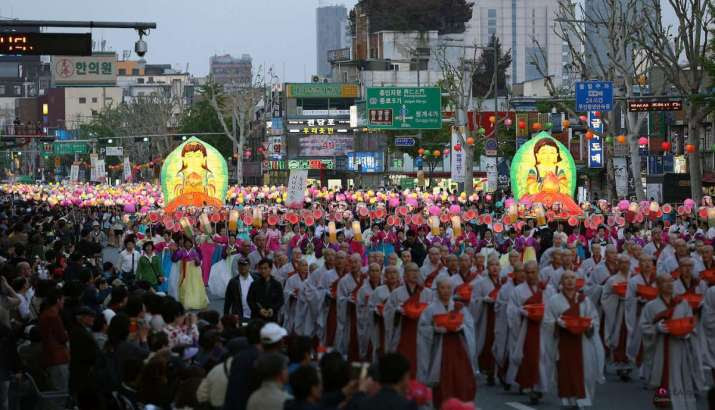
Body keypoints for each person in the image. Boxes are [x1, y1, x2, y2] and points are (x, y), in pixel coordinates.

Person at [640, 275, 704, 409]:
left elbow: (691, 322)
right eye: (665, 281)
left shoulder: (683, 303)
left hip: (680, 348)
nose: (669, 284)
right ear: (658, 285)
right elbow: (644, 326)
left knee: (682, 377)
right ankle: (664, 403)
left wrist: (687, 332)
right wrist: (656, 329)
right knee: (663, 381)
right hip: (660, 349)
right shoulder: (651, 306)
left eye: (671, 281)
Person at [542, 270, 605, 408]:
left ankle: (583, 398)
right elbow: (547, 321)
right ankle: (568, 400)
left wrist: (590, 324)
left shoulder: (585, 300)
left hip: (583, 341)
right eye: (566, 278)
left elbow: (594, 317)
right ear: (561, 282)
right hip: (563, 342)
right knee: (565, 371)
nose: (570, 281)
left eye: (572, 278)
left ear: (576, 281)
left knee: (586, 371)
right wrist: (557, 323)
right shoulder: (553, 300)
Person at [417, 277, 476, 407]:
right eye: (442, 288)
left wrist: (462, 328)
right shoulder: (430, 309)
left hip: (458, 347)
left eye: (449, 288)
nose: (445, 291)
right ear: (437, 290)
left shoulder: (459, 307)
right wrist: (434, 330)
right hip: (439, 348)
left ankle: (460, 404)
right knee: (443, 379)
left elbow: (469, 324)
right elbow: (422, 328)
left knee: (461, 378)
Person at [506, 260, 554, 404]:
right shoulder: (518, 290)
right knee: (531, 357)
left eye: (533, 272)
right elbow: (511, 310)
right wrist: (521, 312)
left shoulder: (548, 289)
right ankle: (533, 387)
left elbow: (555, 307)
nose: (530, 275)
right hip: (526, 329)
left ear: (538, 272)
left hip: (544, 328)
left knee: (544, 357)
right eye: (527, 272)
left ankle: (541, 386)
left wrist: (546, 315)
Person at [384, 262, 433, 378]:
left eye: (417, 271)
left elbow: (433, 312)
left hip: (421, 331)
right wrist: (396, 311)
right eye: (411, 271)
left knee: (421, 358)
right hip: (403, 330)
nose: (415, 273)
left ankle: (420, 382)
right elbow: (387, 311)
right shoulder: (397, 293)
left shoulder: (427, 293)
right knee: (404, 356)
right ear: (405, 275)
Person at [470, 255, 501, 385]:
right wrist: (483, 300)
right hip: (486, 317)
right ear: (487, 268)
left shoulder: (504, 282)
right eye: (492, 265)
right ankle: (489, 371)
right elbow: (474, 300)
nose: (494, 267)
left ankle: (499, 370)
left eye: (497, 265)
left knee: (501, 342)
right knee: (488, 342)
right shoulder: (481, 283)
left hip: (500, 317)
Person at [601, 254, 632, 380]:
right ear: (618, 264)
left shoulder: (633, 278)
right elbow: (605, 297)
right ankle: (620, 365)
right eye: (622, 262)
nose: (625, 265)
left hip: (631, 310)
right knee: (620, 336)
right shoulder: (612, 280)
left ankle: (629, 364)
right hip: (618, 311)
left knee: (630, 336)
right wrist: (616, 296)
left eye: (627, 262)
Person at [336, 254, 366, 361]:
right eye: (351, 262)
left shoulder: (366, 278)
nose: (353, 265)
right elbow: (340, 299)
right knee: (351, 337)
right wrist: (347, 300)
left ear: (361, 262)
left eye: (356, 262)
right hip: (351, 315)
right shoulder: (344, 281)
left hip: (364, 314)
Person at [39, 287, 69, 391]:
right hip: (57, 358)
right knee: (61, 393)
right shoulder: (53, 316)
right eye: (63, 299)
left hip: (50, 356)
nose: (64, 302)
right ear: (58, 300)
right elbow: (62, 338)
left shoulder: (45, 313)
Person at [283, 258, 318, 337]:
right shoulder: (291, 279)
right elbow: (285, 292)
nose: (305, 267)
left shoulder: (311, 279)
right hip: (295, 307)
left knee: (307, 328)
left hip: (307, 308)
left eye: (306, 265)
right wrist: (292, 294)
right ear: (298, 267)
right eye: (303, 265)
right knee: (295, 327)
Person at [172, 237, 208, 310]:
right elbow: (174, 259)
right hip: (185, 271)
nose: (188, 244)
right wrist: (175, 252)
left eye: (189, 243)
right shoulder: (181, 251)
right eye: (186, 243)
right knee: (184, 286)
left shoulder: (194, 251)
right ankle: (186, 302)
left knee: (195, 286)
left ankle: (195, 302)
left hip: (194, 271)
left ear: (192, 244)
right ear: (184, 244)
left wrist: (196, 260)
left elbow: (198, 262)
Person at [224, 258, 254, 323]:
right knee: (243, 331)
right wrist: (225, 316)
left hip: (254, 315)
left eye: (244, 265)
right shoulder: (233, 282)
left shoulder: (255, 279)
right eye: (240, 265)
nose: (242, 267)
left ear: (249, 266)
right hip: (240, 316)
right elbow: (228, 300)